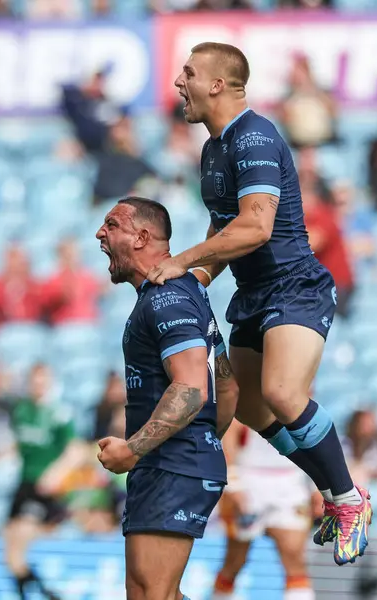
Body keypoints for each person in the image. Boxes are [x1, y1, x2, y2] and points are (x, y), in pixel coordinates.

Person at [147, 42, 372, 566]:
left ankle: (348, 499)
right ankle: (335, 492)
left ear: (218, 84)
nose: (180, 82)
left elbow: (256, 226)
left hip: (295, 286)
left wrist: (182, 261)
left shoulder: (255, 135)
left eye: (189, 73)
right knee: (246, 405)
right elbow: (223, 229)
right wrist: (196, 276)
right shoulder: (211, 150)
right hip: (255, 295)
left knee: (281, 391)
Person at [95, 196, 238, 600]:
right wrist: (204, 445)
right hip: (174, 463)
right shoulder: (182, 290)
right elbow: (227, 388)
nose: (99, 233)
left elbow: (193, 389)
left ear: (141, 237)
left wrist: (133, 450)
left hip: (172, 465)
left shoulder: (166, 298)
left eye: (111, 225)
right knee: (150, 593)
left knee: (152, 594)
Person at [0, 363, 86, 600]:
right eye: (34, 381)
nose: (38, 385)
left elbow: (76, 451)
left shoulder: (58, 413)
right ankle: (46, 593)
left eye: (42, 381)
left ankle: (48, 594)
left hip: (45, 490)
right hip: (23, 486)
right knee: (10, 556)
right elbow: (19, 444)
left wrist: (56, 473)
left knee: (19, 543)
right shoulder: (22, 410)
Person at [212, 420, 315, 600]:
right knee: (235, 561)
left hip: (290, 482)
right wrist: (233, 483)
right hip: (249, 481)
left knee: (295, 559)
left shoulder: (304, 393)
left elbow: (313, 433)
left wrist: (318, 487)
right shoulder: (243, 393)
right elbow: (228, 434)